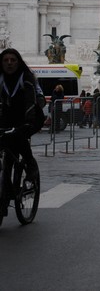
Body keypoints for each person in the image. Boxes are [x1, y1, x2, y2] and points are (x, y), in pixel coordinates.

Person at [0, 48, 41, 215]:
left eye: (13, 60)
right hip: (8, 117)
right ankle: (5, 190)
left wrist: (28, 122)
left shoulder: (27, 78)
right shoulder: (0, 78)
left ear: (18, 62)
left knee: (18, 136)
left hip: (29, 115)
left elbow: (31, 101)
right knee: (7, 150)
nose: (9, 63)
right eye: (6, 60)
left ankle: (30, 165)